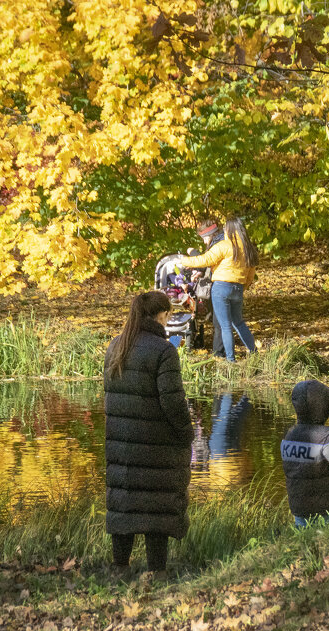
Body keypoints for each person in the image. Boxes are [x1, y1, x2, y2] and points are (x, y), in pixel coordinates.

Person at [103, 291, 194, 573]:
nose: (169, 321)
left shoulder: (115, 346)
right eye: (168, 315)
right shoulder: (164, 351)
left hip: (121, 446)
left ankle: (119, 569)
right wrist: (187, 432)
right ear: (160, 316)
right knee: (157, 508)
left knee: (124, 507)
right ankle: (157, 573)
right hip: (157, 446)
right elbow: (173, 402)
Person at [177, 217, 259, 362]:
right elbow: (251, 274)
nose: (224, 230)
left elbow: (205, 260)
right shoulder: (247, 248)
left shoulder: (225, 245)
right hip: (238, 288)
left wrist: (183, 260)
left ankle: (230, 359)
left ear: (231, 230)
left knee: (225, 326)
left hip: (221, 288)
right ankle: (254, 352)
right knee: (239, 323)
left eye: (226, 228)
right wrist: (241, 287)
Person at [280, 380, 329, 527]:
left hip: (298, 504)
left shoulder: (289, 435)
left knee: (302, 534)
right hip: (324, 505)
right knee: (326, 534)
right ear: (325, 408)